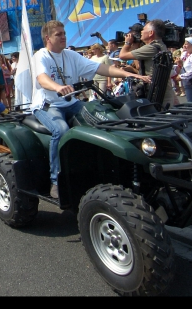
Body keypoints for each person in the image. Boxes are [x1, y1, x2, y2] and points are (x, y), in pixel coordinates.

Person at [32, 20, 149, 198]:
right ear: (47, 38)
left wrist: (129, 74)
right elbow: (42, 78)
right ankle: (55, 180)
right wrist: (57, 87)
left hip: (71, 103)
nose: (64, 36)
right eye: (59, 34)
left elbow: (102, 68)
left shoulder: (70, 55)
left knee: (102, 117)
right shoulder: (41, 56)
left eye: (64, 33)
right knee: (61, 130)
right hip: (48, 105)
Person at [118, 19, 172, 107]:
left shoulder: (151, 48)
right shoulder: (159, 45)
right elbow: (139, 66)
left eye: (143, 30)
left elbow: (122, 55)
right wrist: (135, 46)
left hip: (155, 92)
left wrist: (127, 43)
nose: (141, 32)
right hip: (159, 90)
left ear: (151, 33)